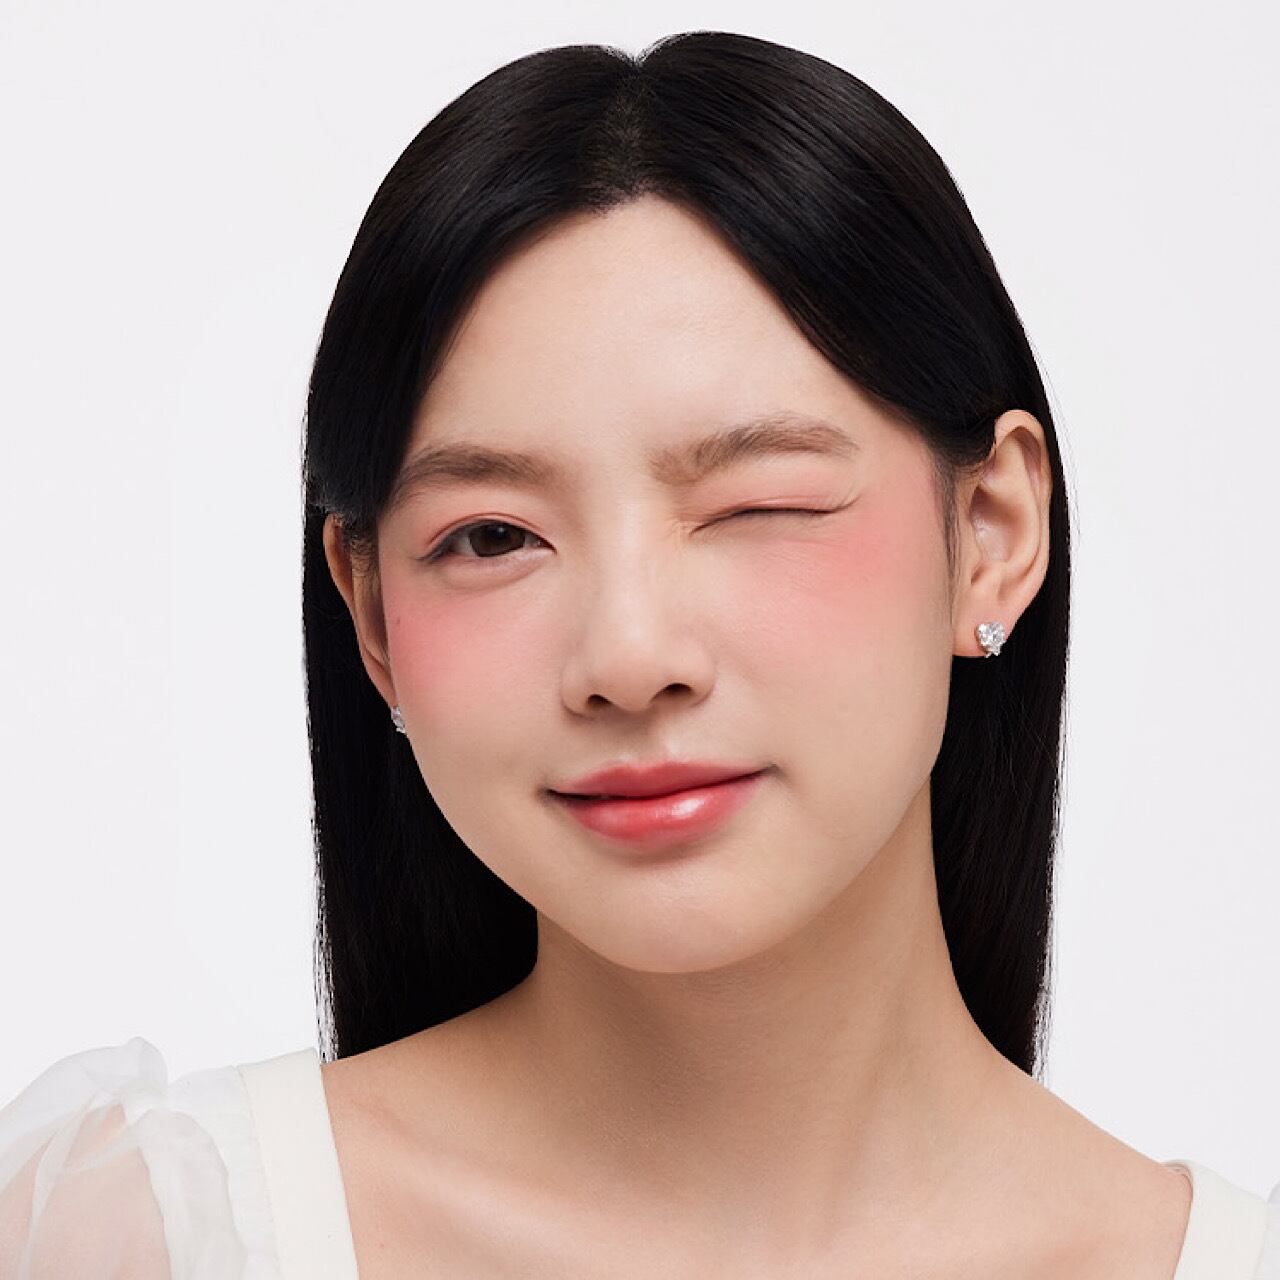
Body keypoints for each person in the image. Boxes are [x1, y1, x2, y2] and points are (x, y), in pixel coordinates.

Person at [2, 29, 1276, 1279]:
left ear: (991, 532)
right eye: (492, 535)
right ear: (374, 614)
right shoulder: (143, 1236)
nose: (626, 654)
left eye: (756, 501)